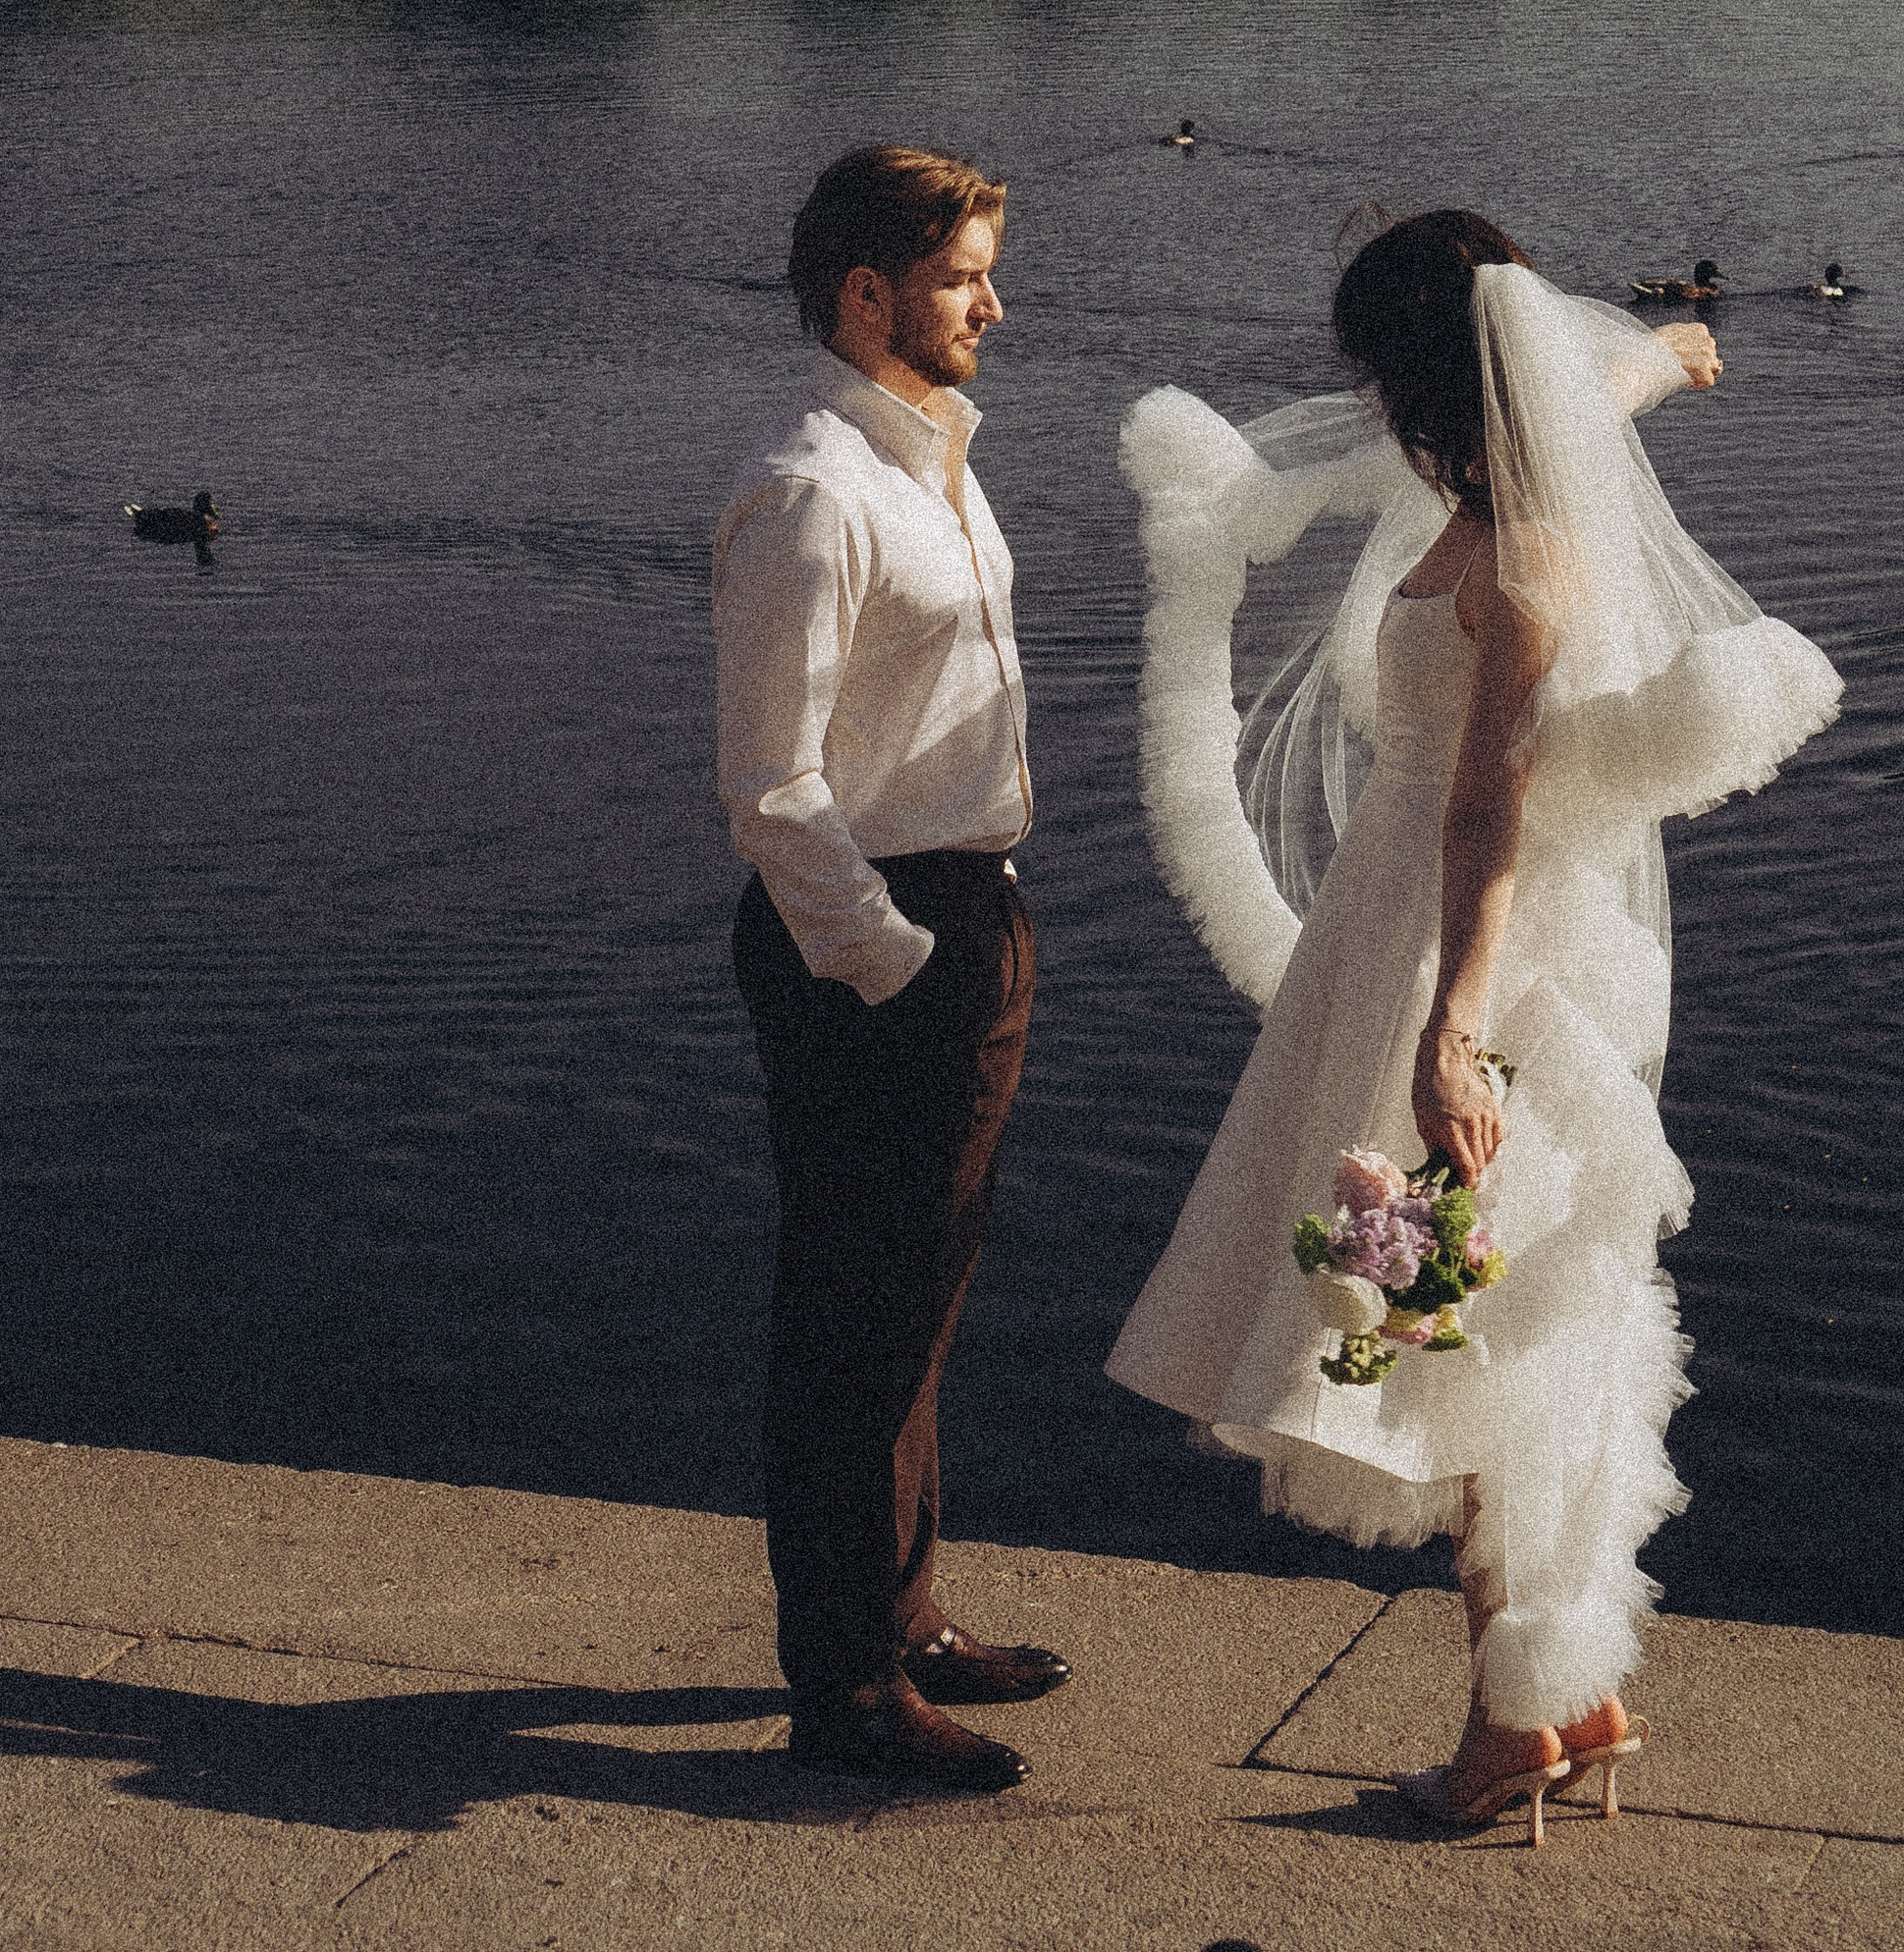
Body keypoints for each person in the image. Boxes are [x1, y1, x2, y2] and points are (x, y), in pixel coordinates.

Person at [1107, 210, 1839, 1842]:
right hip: (1408, 942)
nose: (1364, 401)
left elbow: (1487, 814)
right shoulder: (1507, 492)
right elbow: (1601, 391)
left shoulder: (1518, 560)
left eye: (1378, 371)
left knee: (1459, 1326)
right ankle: (1563, 1697)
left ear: (1428, 375)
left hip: (1478, 960)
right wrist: (1666, 356)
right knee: (1466, 1322)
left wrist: (1453, 1035)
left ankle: (1517, 1724)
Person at [716, 145, 1067, 1791]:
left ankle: (904, 1615)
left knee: (922, 1298)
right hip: (870, 940)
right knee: (852, 1313)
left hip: (961, 912)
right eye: (963, 277)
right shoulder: (810, 492)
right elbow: (773, 789)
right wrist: (897, 962)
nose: (993, 302)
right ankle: (843, 1686)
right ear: (869, 295)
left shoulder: (931, 459)